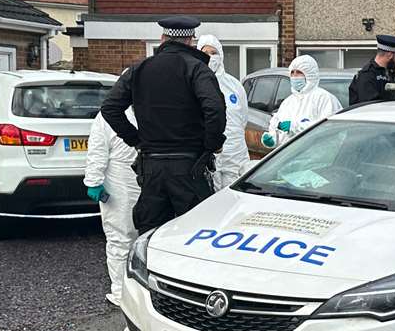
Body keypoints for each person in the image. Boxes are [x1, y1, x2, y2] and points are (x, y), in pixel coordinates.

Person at [100, 15, 225, 233]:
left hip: (152, 167)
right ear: (191, 40)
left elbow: (110, 108)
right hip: (189, 166)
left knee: (151, 235)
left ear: (162, 38)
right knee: (195, 232)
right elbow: (214, 109)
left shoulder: (139, 69)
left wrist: (136, 140)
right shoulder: (196, 69)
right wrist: (211, 144)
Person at [83, 102, 140, 308]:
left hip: (145, 176)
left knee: (144, 237)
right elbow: (98, 149)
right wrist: (94, 180)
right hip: (119, 178)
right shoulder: (109, 115)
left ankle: (139, 291)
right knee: (120, 235)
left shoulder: (148, 107)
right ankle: (120, 291)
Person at [197, 34, 251, 189]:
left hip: (235, 155)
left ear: (220, 55)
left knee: (235, 197)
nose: (210, 57)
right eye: (205, 53)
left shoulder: (234, 85)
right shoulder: (193, 84)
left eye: (214, 53)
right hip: (207, 154)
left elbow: (243, 118)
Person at [262, 54, 340, 149]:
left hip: (316, 157)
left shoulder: (324, 99)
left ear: (310, 75)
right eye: (292, 73)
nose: (294, 76)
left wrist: (295, 127)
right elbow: (278, 127)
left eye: (299, 72)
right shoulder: (288, 102)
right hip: (290, 156)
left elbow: (329, 129)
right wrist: (273, 139)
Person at [348, 34, 395, 105]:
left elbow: (391, 99)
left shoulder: (388, 73)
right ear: (390, 55)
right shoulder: (367, 75)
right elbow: (372, 106)